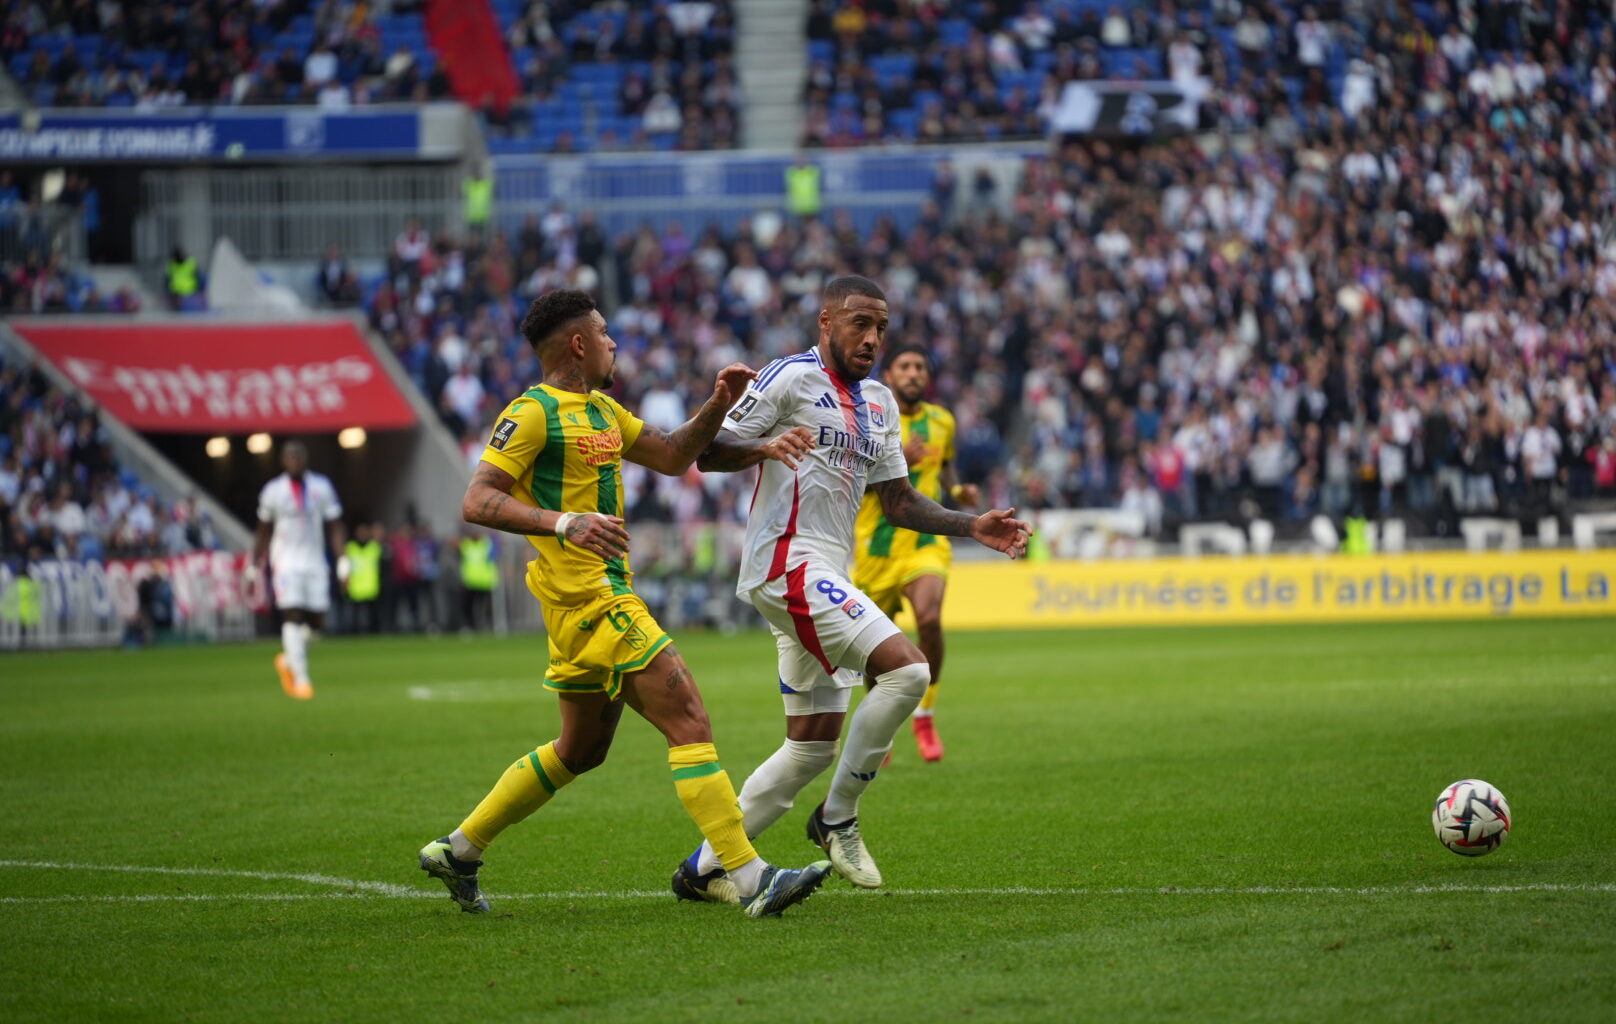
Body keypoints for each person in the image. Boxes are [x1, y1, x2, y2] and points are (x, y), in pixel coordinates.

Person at [417, 289, 831, 918]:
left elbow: (671, 455)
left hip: (591, 602)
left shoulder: (604, 410)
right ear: (578, 343)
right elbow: (476, 500)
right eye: (605, 333)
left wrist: (721, 406)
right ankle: (749, 878)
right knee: (687, 714)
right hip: (590, 596)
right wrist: (563, 524)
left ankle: (460, 849)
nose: (615, 342)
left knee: (579, 750)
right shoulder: (531, 414)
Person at [672, 276, 1029, 899]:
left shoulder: (881, 405)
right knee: (910, 672)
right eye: (860, 323)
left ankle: (702, 870)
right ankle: (836, 818)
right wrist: (762, 445)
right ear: (826, 321)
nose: (872, 338)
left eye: (881, 328)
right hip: (786, 562)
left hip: (828, 571)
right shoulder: (789, 376)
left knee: (810, 747)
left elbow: (896, 501)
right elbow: (709, 450)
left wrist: (971, 525)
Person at [851, 342, 979, 762]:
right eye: (904, 366)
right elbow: (849, 483)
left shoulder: (942, 421)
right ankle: (881, 724)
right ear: (889, 376)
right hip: (878, 546)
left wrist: (959, 490)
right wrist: (895, 463)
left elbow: (945, 467)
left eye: (919, 367)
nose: (912, 373)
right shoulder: (868, 421)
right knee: (873, 644)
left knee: (929, 617)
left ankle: (925, 713)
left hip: (925, 541)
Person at [252, 441, 343, 699]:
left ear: (306, 459)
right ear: (283, 460)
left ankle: (289, 658)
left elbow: (335, 525)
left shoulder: (321, 487)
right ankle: (302, 679)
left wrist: (343, 560)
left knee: (317, 624)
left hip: (314, 562)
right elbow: (263, 531)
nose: (295, 461)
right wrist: (252, 566)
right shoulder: (273, 491)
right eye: (290, 457)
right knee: (291, 615)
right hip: (285, 562)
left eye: (298, 456)